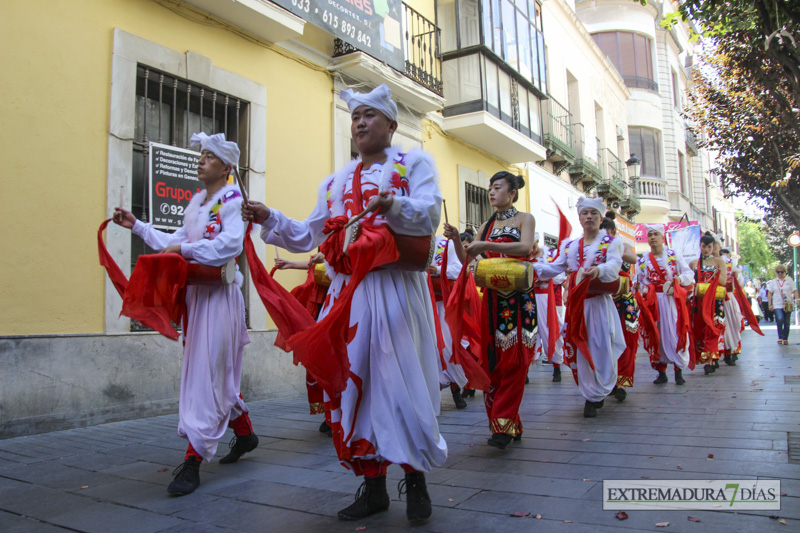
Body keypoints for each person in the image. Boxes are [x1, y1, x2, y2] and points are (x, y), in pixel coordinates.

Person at [242, 84, 444, 523]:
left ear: (391, 124)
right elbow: (307, 232)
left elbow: (429, 214)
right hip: (347, 298)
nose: (360, 122)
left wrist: (395, 205)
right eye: (355, 117)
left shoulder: (415, 164)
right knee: (355, 388)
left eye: (370, 115)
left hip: (394, 292)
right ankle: (372, 486)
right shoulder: (334, 182)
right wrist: (269, 218)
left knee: (401, 387)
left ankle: (416, 482)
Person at [113, 132, 256, 495]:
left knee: (206, 378)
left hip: (221, 300)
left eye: (209, 157)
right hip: (197, 300)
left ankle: (193, 460)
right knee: (213, 375)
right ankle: (245, 434)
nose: (201, 160)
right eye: (201, 155)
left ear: (226, 168)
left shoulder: (233, 200)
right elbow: (172, 241)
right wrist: (138, 226)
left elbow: (229, 246)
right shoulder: (195, 204)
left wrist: (185, 249)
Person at [454, 171, 536, 449]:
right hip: (491, 301)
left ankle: (502, 426)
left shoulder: (525, 218)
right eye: (489, 188)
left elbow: (525, 247)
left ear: (511, 193)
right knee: (493, 363)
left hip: (518, 299)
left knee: (515, 362)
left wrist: (487, 245)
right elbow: (468, 259)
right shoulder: (485, 224)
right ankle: (509, 421)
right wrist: (456, 239)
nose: (491, 192)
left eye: (497, 187)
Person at [533, 197, 625, 418]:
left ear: (601, 217)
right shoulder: (570, 246)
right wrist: (531, 268)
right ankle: (590, 397)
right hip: (577, 306)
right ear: (580, 217)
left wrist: (599, 270)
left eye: (593, 213)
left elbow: (614, 264)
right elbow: (554, 267)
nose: (589, 217)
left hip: (599, 304)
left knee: (602, 345)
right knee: (581, 347)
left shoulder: (612, 243)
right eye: (585, 213)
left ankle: (602, 386)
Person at [272, 252, 333, 435]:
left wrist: (325, 262)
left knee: (334, 364)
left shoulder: (351, 230)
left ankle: (336, 416)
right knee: (318, 364)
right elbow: (316, 266)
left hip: (339, 306)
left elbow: (340, 268)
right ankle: (330, 415)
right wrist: (289, 264)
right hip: (321, 307)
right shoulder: (328, 232)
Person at [635, 224, 694, 386]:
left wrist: (679, 280)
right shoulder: (642, 260)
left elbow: (689, 274)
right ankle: (661, 372)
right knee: (656, 335)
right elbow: (637, 281)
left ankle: (678, 370)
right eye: (650, 235)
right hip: (653, 302)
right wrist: (639, 288)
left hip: (672, 300)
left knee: (675, 333)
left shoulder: (674, 255)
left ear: (662, 237)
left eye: (656, 234)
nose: (652, 237)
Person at [598, 212, 639, 401]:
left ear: (614, 232)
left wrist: (613, 249)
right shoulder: (594, 247)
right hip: (603, 298)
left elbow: (631, 259)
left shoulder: (623, 245)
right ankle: (606, 379)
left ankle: (622, 381)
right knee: (603, 340)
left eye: (607, 233)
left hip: (623, 299)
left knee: (627, 340)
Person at [434, 224, 469, 408]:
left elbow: (458, 270)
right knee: (429, 350)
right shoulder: (408, 243)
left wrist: (437, 271)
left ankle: (456, 390)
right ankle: (431, 393)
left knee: (449, 348)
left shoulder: (444, 244)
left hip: (444, 305)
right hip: (422, 304)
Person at [689, 233, 727, 375]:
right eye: (704, 246)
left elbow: (724, 281)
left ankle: (710, 361)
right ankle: (707, 358)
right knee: (701, 329)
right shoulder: (694, 263)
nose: (706, 249)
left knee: (714, 329)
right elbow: (689, 281)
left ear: (713, 247)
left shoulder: (719, 262)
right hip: (699, 301)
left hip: (715, 301)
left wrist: (715, 275)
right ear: (700, 246)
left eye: (709, 247)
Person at [531, 235, 565, 383]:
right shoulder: (522, 256)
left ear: (537, 242)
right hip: (528, 298)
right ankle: (525, 369)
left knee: (550, 330)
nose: (530, 248)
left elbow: (559, 276)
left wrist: (542, 274)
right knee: (527, 332)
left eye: (532, 244)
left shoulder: (548, 255)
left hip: (545, 298)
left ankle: (556, 366)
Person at [768, 264, 798, 345]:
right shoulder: (773, 282)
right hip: (777, 304)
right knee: (780, 319)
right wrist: (770, 304)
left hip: (788, 304)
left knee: (787, 321)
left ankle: (785, 338)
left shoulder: (789, 281)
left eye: (782, 272)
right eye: (778, 272)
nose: (780, 274)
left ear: (785, 272)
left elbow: (794, 291)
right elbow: (770, 293)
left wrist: (798, 299)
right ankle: (780, 337)